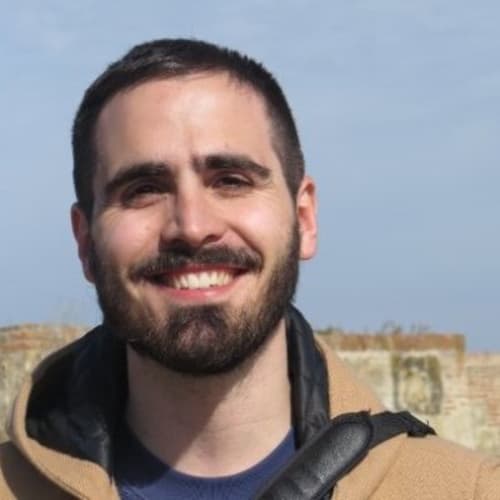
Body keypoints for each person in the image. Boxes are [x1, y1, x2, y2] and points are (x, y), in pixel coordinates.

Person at [0, 39, 499, 500]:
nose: (193, 226)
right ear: (85, 241)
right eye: (144, 190)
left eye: (231, 180)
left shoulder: (467, 490)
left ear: (304, 219)